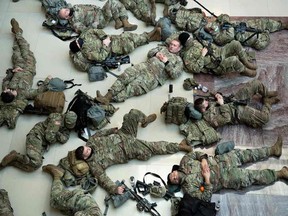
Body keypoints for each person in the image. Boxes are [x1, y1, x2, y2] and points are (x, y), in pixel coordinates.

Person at [73, 109, 192, 195]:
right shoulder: (94, 166)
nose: (88, 149)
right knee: (154, 147)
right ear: (85, 158)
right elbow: (103, 180)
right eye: (87, 151)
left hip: (123, 134)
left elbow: (100, 134)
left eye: (86, 148)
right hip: (128, 149)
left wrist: (111, 130)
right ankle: (179, 147)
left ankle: (144, 120)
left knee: (132, 113)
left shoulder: (90, 142)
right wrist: (114, 189)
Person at [167, 136, 288, 202]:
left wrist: (203, 159)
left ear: (174, 171)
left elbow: (196, 154)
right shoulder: (188, 190)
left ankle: (273, 150)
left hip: (223, 160)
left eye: (173, 175)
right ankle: (280, 174)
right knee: (253, 177)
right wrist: (207, 180)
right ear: (176, 184)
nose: (175, 178)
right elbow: (205, 197)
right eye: (173, 180)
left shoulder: (184, 161)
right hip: (226, 178)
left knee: (249, 154)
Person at [95, 39, 183, 104]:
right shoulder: (162, 48)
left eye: (174, 45)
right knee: (125, 76)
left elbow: (174, 75)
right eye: (171, 44)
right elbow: (150, 52)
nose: (171, 46)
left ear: (179, 48)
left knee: (132, 88)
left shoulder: (178, 61)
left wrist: (166, 62)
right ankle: (107, 96)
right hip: (144, 66)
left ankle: (109, 101)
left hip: (153, 77)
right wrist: (156, 54)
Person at [0, 19, 50, 129]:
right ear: (13, 95)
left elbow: (6, 80)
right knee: (25, 49)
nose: (8, 88)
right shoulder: (24, 94)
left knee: (16, 51)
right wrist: (47, 81)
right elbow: (38, 92)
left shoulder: (6, 90)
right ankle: (18, 33)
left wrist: (12, 71)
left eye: (6, 89)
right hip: (28, 67)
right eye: (9, 91)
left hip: (17, 66)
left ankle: (17, 33)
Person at [0, 111, 77, 172]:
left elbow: (65, 139)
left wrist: (57, 133)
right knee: (36, 162)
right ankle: (15, 156)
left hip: (42, 142)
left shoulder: (64, 123)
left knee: (31, 168)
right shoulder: (56, 120)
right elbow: (49, 138)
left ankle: (11, 161)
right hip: (36, 136)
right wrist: (57, 136)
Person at [194, 79, 280, 128]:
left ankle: (266, 94)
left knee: (256, 83)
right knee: (265, 118)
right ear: (203, 109)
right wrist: (222, 104)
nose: (207, 102)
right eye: (205, 103)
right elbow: (226, 118)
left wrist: (217, 95)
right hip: (237, 112)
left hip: (234, 100)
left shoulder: (208, 103)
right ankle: (268, 102)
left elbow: (211, 94)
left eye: (206, 100)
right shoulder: (210, 119)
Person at [69, 27, 162, 72]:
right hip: (112, 49)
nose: (78, 41)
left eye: (77, 41)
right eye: (78, 44)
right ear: (79, 49)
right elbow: (101, 57)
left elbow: (94, 30)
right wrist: (105, 45)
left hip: (109, 38)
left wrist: (104, 37)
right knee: (130, 44)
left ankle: (151, 37)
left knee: (128, 35)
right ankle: (149, 35)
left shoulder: (84, 35)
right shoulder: (87, 53)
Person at [177, 31, 258, 77]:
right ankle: (244, 70)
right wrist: (202, 55)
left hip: (218, 52)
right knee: (233, 60)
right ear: (185, 43)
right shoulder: (187, 56)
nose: (191, 39)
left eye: (190, 38)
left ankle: (246, 62)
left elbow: (208, 44)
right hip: (215, 65)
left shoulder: (195, 41)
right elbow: (196, 69)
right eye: (188, 40)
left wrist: (213, 48)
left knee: (235, 43)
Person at [58, 0, 137, 33]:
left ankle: (125, 22)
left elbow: (88, 6)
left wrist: (97, 9)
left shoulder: (75, 7)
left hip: (100, 12)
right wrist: (95, 23)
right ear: (66, 17)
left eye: (66, 9)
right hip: (99, 21)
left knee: (118, 4)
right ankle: (118, 22)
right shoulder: (75, 23)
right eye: (65, 12)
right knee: (111, 2)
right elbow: (86, 31)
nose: (67, 10)